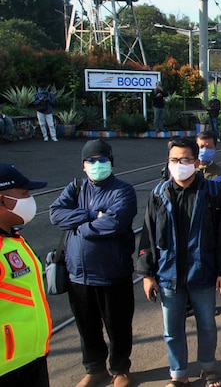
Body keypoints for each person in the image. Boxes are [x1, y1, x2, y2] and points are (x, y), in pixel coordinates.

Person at [137, 137, 221, 387]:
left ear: (195, 161)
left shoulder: (212, 192)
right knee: (172, 329)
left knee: (207, 325)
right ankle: (178, 373)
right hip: (168, 273)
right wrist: (147, 274)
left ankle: (208, 367)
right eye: (174, 160)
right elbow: (147, 236)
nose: (179, 164)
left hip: (202, 271)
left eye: (185, 159)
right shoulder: (158, 194)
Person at [49, 140, 138, 387]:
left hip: (112, 273)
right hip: (78, 274)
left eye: (102, 160)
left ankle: (120, 369)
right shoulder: (75, 188)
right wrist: (90, 216)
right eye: (91, 161)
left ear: (111, 162)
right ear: (83, 165)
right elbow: (56, 214)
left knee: (118, 326)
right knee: (86, 327)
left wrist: (79, 226)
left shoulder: (123, 190)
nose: (97, 165)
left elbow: (112, 223)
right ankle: (95, 368)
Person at [0, 164, 51, 387]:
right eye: (24, 194)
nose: (30, 200)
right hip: (7, 369)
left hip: (31, 358)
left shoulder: (13, 238)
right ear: (2, 200)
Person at [197, 131, 221, 230]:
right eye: (201, 147)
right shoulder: (186, 172)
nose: (204, 150)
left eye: (209, 147)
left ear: (215, 148)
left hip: (212, 228)